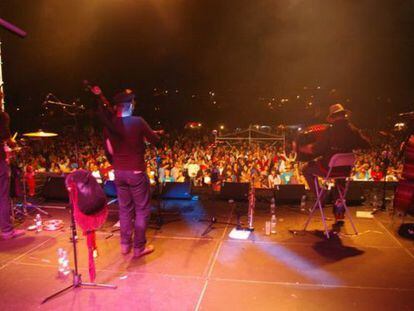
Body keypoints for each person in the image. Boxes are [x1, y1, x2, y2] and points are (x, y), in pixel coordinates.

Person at [92, 86, 160, 257]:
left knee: (124, 209)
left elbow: (110, 150)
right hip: (136, 172)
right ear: (129, 105)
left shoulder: (110, 125)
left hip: (119, 172)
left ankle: (124, 245)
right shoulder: (137, 121)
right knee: (142, 210)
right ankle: (139, 247)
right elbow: (155, 140)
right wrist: (147, 135)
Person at [299, 103, 370, 222]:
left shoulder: (330, 131)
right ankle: (339, 215)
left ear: (333, 117)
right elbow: (367, 145)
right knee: (340, 181)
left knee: (305, 169)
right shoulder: (353, 130)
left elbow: (317, 150)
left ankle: (321, 195)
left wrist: (305, 148)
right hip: (345, 168)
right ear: (343, 115)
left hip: (328, 168)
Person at [0, 90, 24, 239]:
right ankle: (7, 230)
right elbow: (6, 137)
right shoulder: (2, 116)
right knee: (2, 196)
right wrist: (12, 143)